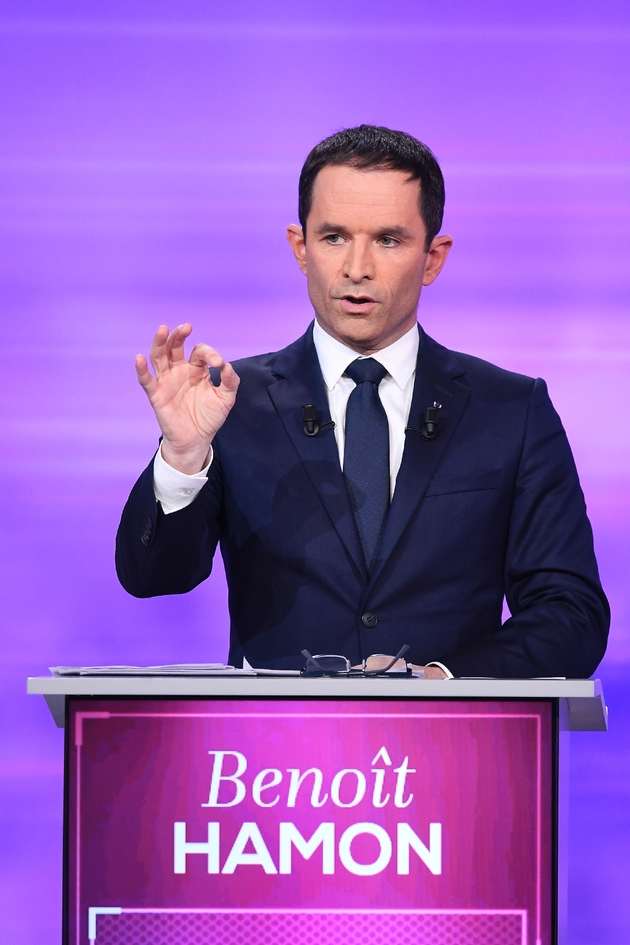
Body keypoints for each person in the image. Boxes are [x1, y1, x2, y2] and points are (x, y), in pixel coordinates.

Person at [116, 125, 609, 678]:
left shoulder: (511, 411)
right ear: (300, 249)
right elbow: (153, 577)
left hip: (455, 751)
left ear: (433, 258)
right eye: (333, 238)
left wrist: (443, 679)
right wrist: (183, 457)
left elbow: (572, 617)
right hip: (275, 758)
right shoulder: (231, 403)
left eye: (389, 240)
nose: (357, 268)